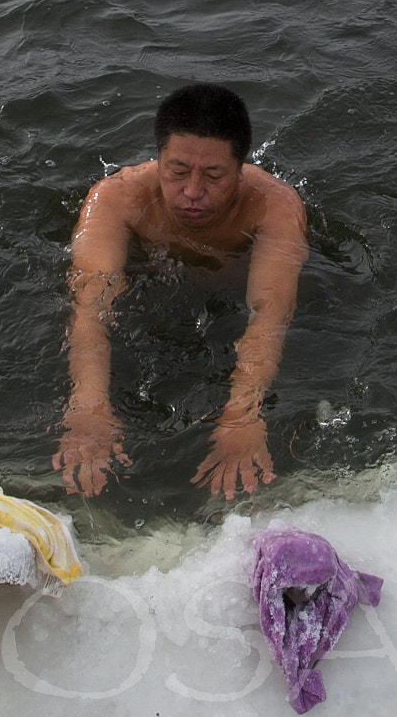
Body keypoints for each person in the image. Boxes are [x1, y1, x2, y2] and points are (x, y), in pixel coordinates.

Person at [52, 83, 309, 500]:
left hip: (229, 297)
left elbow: (269, 314)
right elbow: (90, 307)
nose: (192, 192)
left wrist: (242, 416)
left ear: (240, 170)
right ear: (159, 159)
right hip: (154, 290)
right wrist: (88, 406)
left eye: (213, 176)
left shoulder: (274, 206)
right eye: (177, 171)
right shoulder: (116, 198)